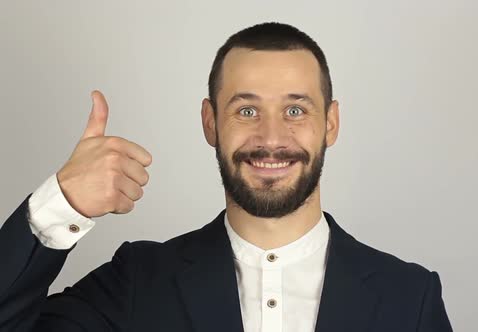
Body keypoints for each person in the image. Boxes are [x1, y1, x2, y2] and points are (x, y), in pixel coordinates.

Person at [0, 22, 453, 331]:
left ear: (330, 124)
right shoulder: (138, 281)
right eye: (247, 110)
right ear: (211, 122)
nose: (271, 137)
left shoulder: (410, 297)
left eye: (295, 110)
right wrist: (61, 205)